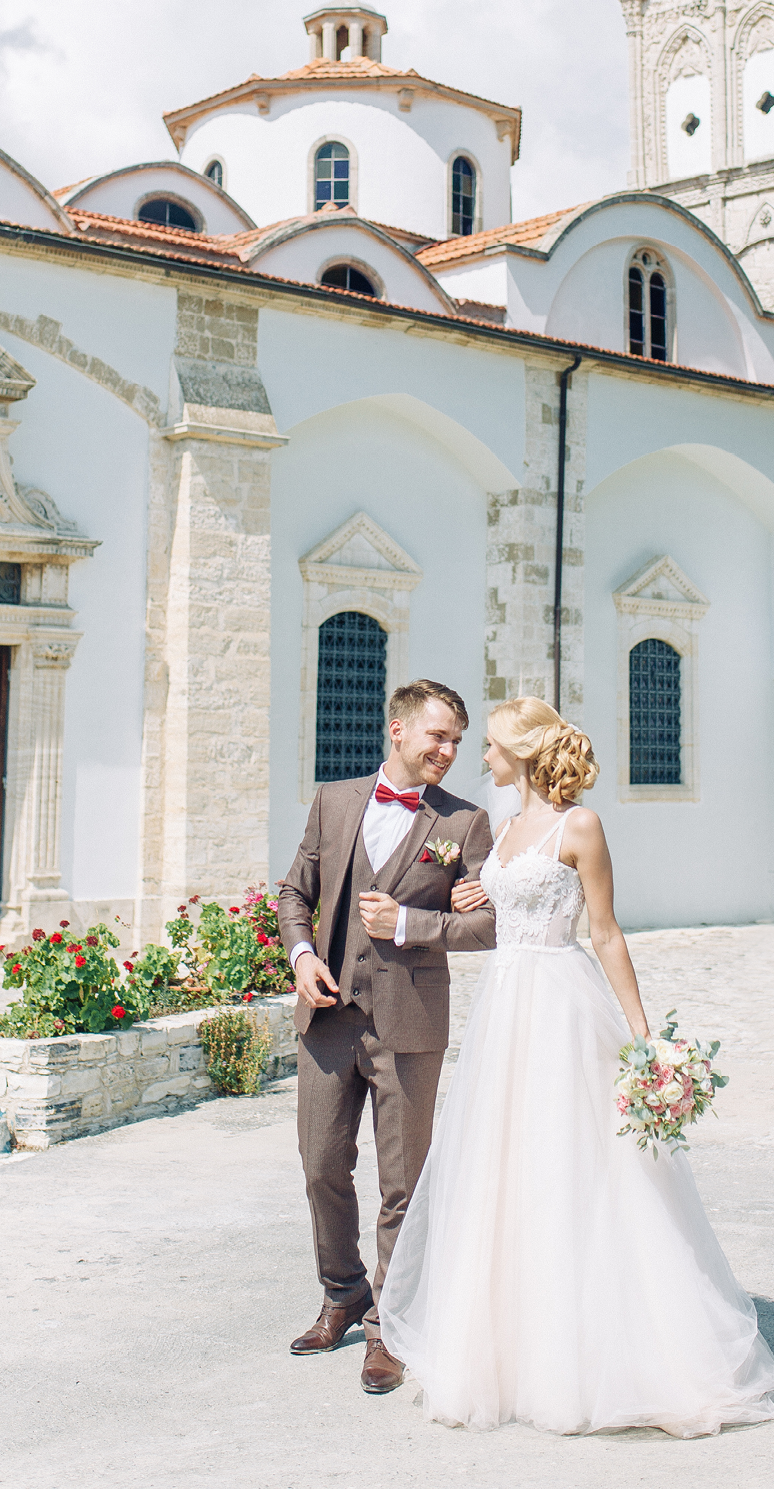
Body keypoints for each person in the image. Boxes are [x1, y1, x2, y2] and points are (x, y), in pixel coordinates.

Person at [380, 696, 774, 1436]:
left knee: (576, 1164)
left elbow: (606, 932)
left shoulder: (580, 825)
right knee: (506, 1167)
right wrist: (473, 892)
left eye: (491, 745)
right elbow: (496, 911)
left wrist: (643, 1037)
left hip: (561, 1003)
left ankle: (601, 1350)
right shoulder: (501, 831)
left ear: (522, 751)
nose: (481, 757)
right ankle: (511, 1349)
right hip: (505, 1008)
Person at [278, 680, 496, 1395]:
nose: (449, 750)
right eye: (438, 735)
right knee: (320, 1163)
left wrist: (412, 921)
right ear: (398, 729)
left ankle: (389, 1327)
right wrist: (301, 956)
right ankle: (343, 1293)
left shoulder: (464, 822)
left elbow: (490, 924)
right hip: (329, 1017)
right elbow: (294, 893)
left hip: (410, 1022)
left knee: (403, 1182)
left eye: (457, 740)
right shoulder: (334, 801)